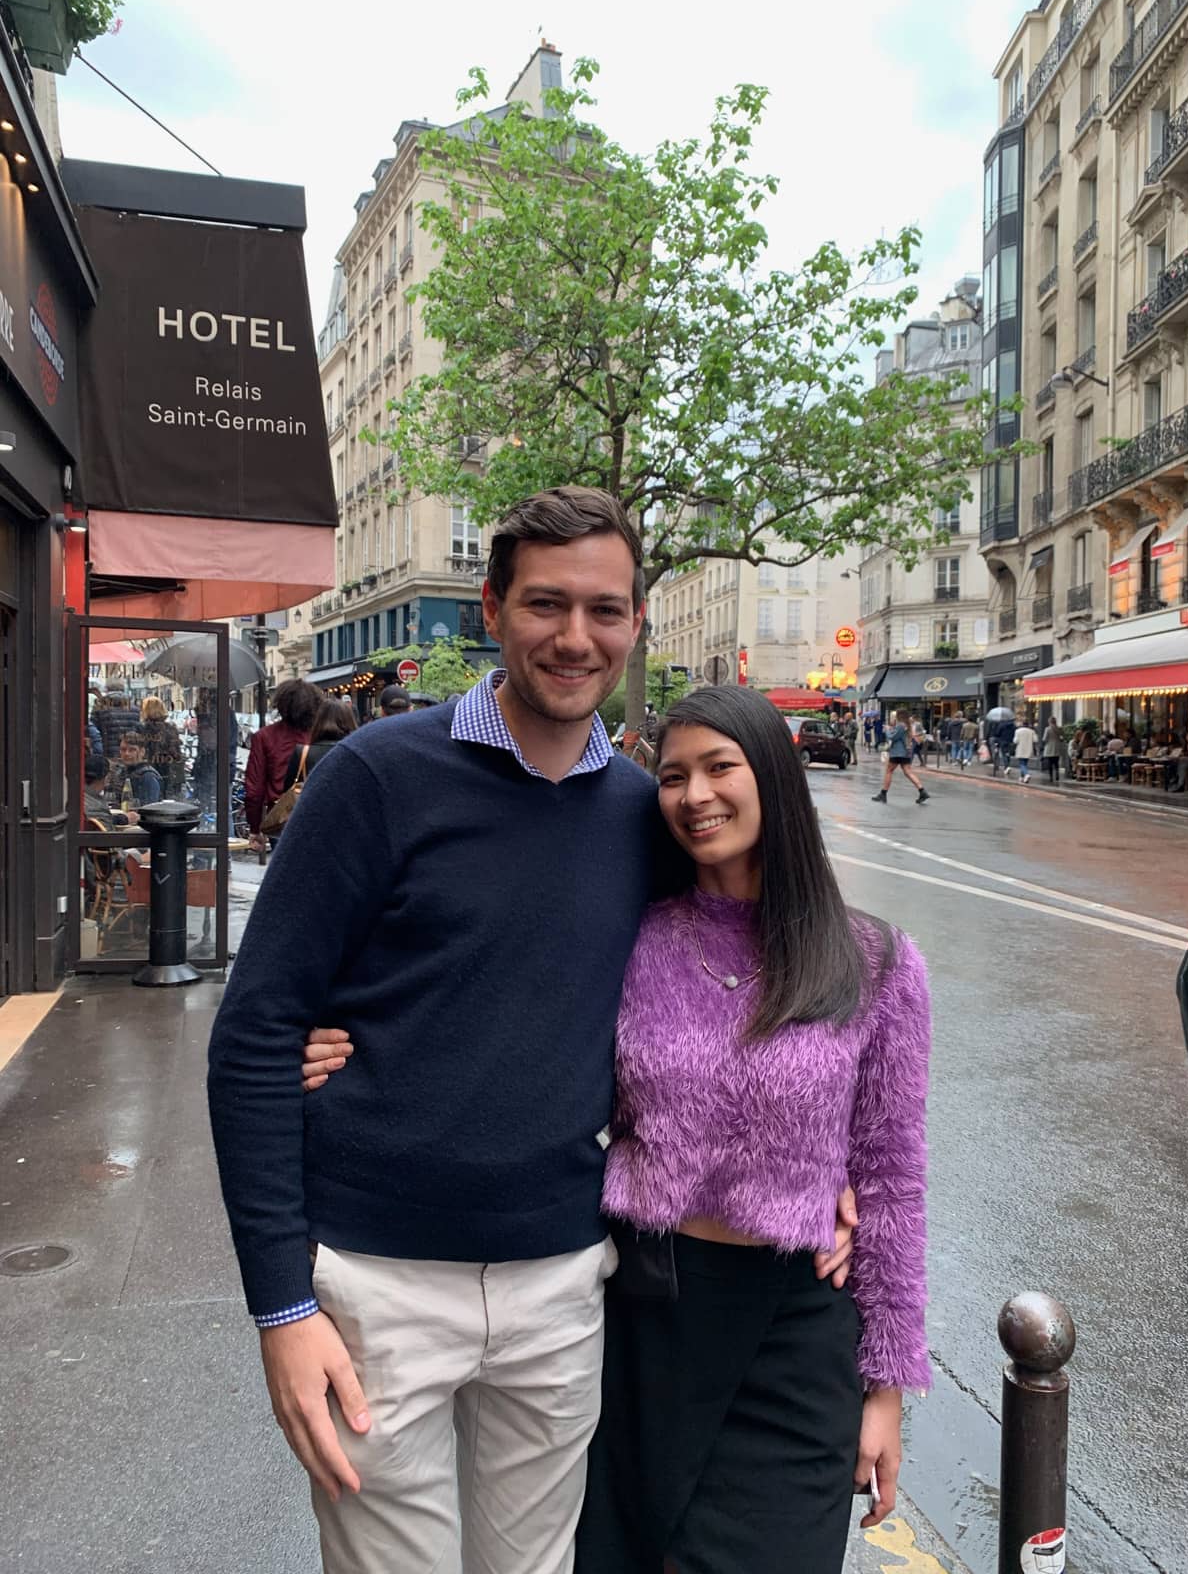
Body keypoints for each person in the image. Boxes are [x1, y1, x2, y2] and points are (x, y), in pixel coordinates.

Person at [208, 488, 863, 1574]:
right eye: (546, 604)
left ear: (636, 624)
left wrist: (818, 1155)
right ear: (492, 608)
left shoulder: (645, 814)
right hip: (377, 1279)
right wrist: (281, 1304)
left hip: (563, 1277)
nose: (575, 636)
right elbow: (255, 1035)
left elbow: (748, 989)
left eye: (604, 609)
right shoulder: (377, 779)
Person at [303, 688, 930, 1574]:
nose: (694, 794)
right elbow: (504, 1015)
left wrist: (887, 1388)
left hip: (793, 1330)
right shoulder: (636, 936)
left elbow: (895, 1179)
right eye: (672, 775)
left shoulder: (877, 963)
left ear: (775, 778)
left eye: (721, 767)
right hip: (644, 1312)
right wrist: (330, 1032)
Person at [243, 679, 321, 847]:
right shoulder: (320, 736)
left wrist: (255, 828)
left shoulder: (264, 737)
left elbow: (254, 790)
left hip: (282, 818)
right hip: (318, 817)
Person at [282, 698, 357, 786]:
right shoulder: (356, 753)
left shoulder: (302, 752)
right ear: (350, 721)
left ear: (318, 721)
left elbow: (287, 786)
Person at [871, 711, 929, 805]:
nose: (895, 718)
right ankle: (922, 791)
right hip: (906, 752)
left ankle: (883, 794)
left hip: (898, 752)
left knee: (889, 771)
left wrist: (887, 730)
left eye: (896, 716)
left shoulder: (901, 726)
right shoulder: (907, 725)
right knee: (908, 771)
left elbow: (892, 737)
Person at [139, 695, 184, 796]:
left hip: (148, 770)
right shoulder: (170, 727)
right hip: (168, 770)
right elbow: (176, 753)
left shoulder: (141, 728)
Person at [110, 732, 163, 810]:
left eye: (132, 750)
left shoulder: (148, 776)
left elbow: (149, 809)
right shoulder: (121, 772)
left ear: (142, 752)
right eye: (123, 749)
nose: (126, 753)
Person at [91, 693, 141, 758]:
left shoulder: (100, 710)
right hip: (130, 751)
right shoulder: (135, 710)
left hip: (108, 751)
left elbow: (94, 732)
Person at [1041, 717, 1062, 785]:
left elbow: (1044, 739)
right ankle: (1057, 774)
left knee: (1050, 763)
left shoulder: (1047, 729)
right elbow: (1061, 737)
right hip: (1057, 747)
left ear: (1049, 722)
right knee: (1056, 763)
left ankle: (1051, 777)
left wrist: (1044, 742)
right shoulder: (1058, 728)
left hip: (1049, 748)